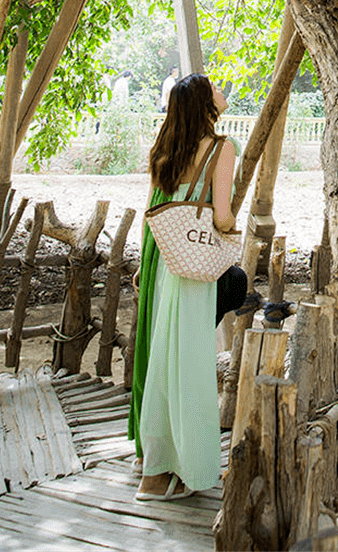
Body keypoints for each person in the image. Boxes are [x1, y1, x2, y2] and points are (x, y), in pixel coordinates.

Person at [128, 73, 236, 500]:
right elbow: (222, 215)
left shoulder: (165, 147)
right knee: (190, 363)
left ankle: (153, 462)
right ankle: (175, 469)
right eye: (213, 88)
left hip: (165, 258)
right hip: (193, 266)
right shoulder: (222, 148)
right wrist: (229, 230)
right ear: (203, 104)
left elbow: (156, 207)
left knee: (162, 358)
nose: (220, 91)